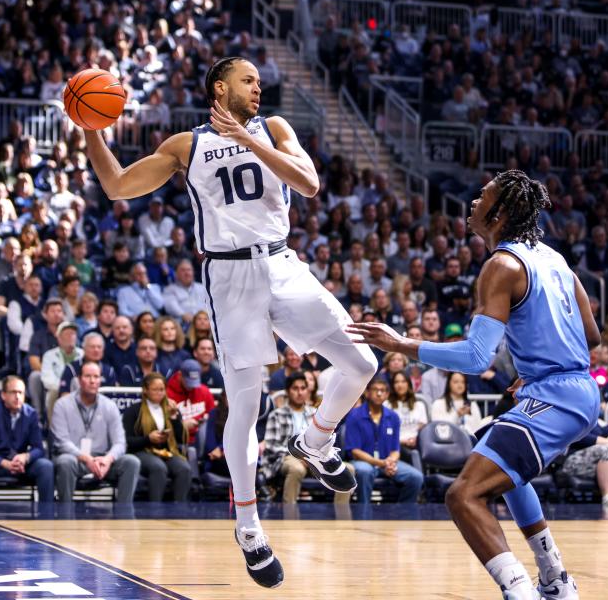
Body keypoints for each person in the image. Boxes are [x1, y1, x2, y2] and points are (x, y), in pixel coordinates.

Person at [86, 55, 379, 587]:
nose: (258, 88)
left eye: (260, 82)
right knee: (247, 402)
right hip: (229, 276)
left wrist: (248, 140)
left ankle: (315, 441)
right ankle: (248, 526)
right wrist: (90, 131)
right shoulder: (186, 145)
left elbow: (309, 184)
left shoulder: (273, 128)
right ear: (220, 87)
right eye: (249, 80)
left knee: (361, 361)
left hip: (283, 262)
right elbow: (117, 186)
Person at [349, 170, 602, 599]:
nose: (472, 202)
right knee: (501, 462)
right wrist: (539, 364)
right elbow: (591, 335)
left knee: (463, 495)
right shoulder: (554, 259)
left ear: (499, 212)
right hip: (576, 391)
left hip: (556, 397)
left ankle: (520, 592)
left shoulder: (501, 265)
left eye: (482, 196)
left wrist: (401, 344)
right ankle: (555, 577)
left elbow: (477, 357)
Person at [51, 361, 140, 502]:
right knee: (65, 462)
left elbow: (120, 443)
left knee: (131, 462)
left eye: (96, 377)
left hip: (102, 460)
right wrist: (86, 459)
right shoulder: (62, 405)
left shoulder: (110, 406)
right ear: (79, 380)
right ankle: (65, 512)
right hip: (75, 459)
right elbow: (61, 442)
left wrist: (108, 459)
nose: (93, 381)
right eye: (88, 376)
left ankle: (124, 514)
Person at [261, 373, 354, 503]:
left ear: (307, 390)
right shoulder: (276, 414)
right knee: (296, 469)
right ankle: (289, 515)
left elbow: (327, 442)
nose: (299, 392)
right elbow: (272, 447)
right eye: (295, 388)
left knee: (349, 468)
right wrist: (301, 456)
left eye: (303, 388)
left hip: (316, 457)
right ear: (288, 391)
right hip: (287, 458)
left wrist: (309, 457)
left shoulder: (317, 413)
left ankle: (341, 516)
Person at [0, 375, 55, 505]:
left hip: (21, 465)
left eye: (21, 393)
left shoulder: (31, 414)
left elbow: (39, 449)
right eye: (13, 392)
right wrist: (3, 462)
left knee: (45, 466)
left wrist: (25, 457)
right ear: (3, 395)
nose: (17, 397)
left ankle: (46, 517)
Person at [344, 377, 424, 503]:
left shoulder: (393, 417)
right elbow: (354, 451)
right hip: (363, 461)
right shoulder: (355, 415)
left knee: (415, 477)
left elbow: (395, 449)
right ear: (367, 393)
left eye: (383, 390)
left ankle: (402, 514)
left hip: (386, 462)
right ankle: (363, 513)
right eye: (375, 390)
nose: (379, 393)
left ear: (387, 394)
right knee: (365, 471)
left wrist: (390, 462)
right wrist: (379, 463)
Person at [122, 372, 191, 502]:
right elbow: (127, 441)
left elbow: (182, 439)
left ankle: (180, 509)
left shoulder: (171, 409)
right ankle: (155, 508)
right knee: (158, 468)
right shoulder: (133, 411)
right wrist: (148, 438)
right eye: (155, 389)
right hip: (141, 451)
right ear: (145, 391)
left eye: (162, 389)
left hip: (166, 452)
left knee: (184, 468)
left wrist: (174, 418)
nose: (159, 393)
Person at [39, 321, 84, 422]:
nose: (71, 336)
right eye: (67, 334)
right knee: (53, 393)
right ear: (59, 338)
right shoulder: (49, 355)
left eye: (73, 334)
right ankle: (53, 430)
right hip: (57, 390)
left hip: (80, 390)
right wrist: (64, 388)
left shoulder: (83, 354)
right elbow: (47, 379)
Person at [384, 370, 429, 463]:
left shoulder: (419, 405)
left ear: (409, 384)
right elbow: (384, 430)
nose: (400, 385)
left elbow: (423, 428)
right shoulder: (386, 405)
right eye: (396, 382)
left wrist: (416, 439)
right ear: (392, 385)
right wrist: (401, 441)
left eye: (403, 381)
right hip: (395, 445)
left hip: (416, 444)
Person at [165, 358, 217, 434]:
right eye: (188, 381)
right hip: (177, 438)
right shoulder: (167, 394)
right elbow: (163, 426)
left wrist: (207, 419)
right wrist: (181, 425)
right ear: (180, 375)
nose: (192, 386)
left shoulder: (204, 391)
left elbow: (213, 417)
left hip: (201, 438)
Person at [430, 371, 484, 436]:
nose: (460, 385)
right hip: (446, 442)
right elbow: (438, 428)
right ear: (448, 383)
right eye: (456, 382)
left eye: (463, 382)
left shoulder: (472, 405)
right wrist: (457, 415)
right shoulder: (438, 403)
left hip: (469, 442)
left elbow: (478, 428)